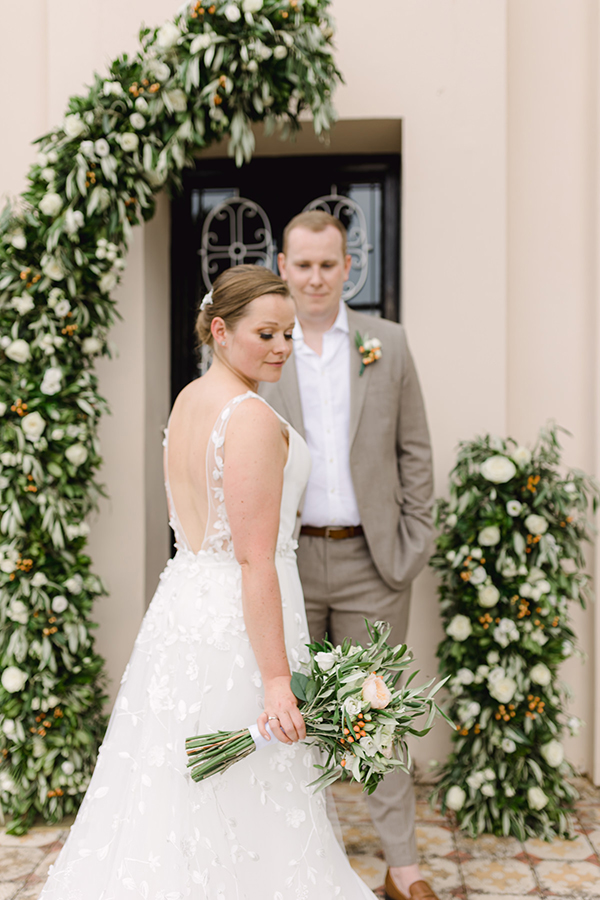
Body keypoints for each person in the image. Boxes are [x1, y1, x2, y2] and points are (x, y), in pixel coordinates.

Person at [40, 265, 376, 899]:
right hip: (241, 625)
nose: (282, 346)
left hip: (186, 608)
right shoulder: (247, 415)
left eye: (288, 334)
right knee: (249, 801)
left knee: (176, 798)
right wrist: (278, 680)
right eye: (267, 333)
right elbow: (254, 559)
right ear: (220, 330)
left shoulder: (190, 399)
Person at [261, 212, 437, 900]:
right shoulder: (264, 350)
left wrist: (413, 539)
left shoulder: (386, 345)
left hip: (373, 561)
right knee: (291, 716)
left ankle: (404, 868)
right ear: (283, 265)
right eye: (302, 264)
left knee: (377, 715)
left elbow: (414, 450)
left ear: (348, 267)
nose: (314, 277)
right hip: (287, 563)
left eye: (327, 264)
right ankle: (299, 868)